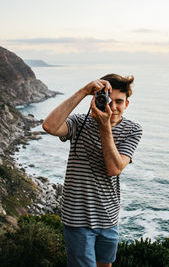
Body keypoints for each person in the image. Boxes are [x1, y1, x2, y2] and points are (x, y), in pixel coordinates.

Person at [42, 73, 142, 267]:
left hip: (109, 217)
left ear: (127, 104)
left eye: (119, 102)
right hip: (77, 218)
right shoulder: (80, 122)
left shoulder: (133, 130)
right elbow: (49, 126)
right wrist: (83, 91)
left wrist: (104, 126)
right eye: (107, 100)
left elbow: (114, 168)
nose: (113, 108)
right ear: (97, 100)